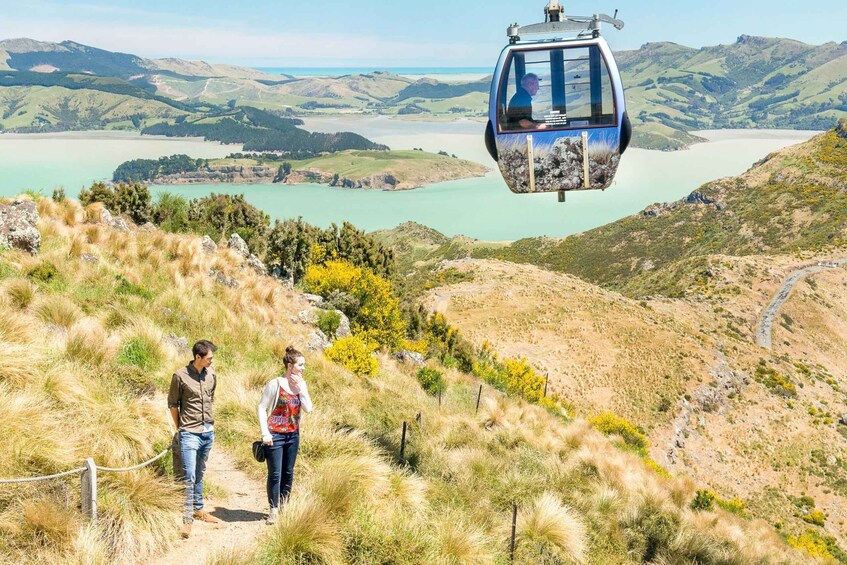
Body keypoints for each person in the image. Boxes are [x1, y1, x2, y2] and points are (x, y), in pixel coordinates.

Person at [168, 339, 223, 539]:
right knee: (188, 476)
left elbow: (211, 398)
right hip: (189, 433)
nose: (211, 361)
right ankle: (187, 519)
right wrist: (181, 428)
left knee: (200, 472)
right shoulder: (179, 376)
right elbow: (173, 405)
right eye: (209, 358)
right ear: (197, 357)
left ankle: (198, 509)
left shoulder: (212, 374)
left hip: (208, 432)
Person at [257, 345, 313, 525]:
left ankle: (283, 505)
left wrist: (301, 390)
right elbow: (261, 407)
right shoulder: (275, 384)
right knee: (275, 473)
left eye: (304, 365)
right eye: (300, 365)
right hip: (275, 435)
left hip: (293, 435)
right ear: (290, 366)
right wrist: (265, 433)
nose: (303, 369)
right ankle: (273, 509)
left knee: (288, 473)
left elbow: (308, 409)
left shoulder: (302, 385)